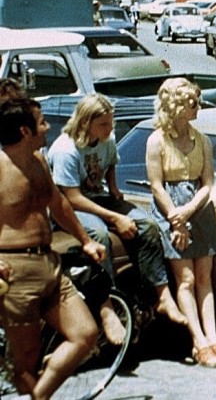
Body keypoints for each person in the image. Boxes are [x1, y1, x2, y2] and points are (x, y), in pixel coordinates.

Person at [48, 93, 186, 345]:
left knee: (147, 225)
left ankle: (161, 295)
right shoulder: (65, 149)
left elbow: (111, 163)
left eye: (111, 123)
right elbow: (72, 198)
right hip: (69, 206)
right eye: (104, 124)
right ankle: (108, 305)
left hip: (98, 198)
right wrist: (115, 217)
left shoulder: (107, 139)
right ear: (85, 122)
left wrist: (112, 186)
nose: (110, 128)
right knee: (99, 236)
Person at [0, 96, 106, 399]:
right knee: (25, 363)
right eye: (42, 121)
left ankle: (40, 396)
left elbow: (58, 204)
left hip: (50, 264)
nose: (47, 127)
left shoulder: (40, 161)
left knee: (85, 334)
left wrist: (86, 240)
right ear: (24, 130)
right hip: (14, 271)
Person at [145, 77, 216, 368]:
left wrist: (190, 210)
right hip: (172, 208)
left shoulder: (201, 139)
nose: (197, 108)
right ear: (175, 106)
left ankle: (213, 338)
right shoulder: (157, 141)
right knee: (187, 279)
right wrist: (175, 218)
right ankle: (198, 341)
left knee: (205, 278)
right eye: (192, 103)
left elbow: (207, 183)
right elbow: (156, 185)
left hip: (199, 208)